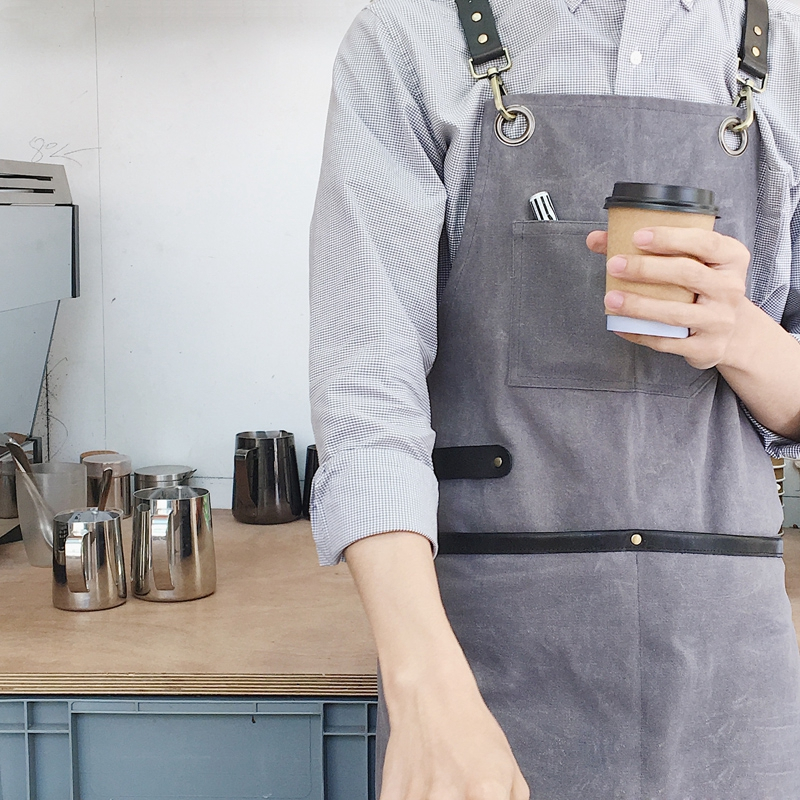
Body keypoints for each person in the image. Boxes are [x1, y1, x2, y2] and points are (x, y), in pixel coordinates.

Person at [309, 1, 800, 797]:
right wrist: (426, 689)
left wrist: (740, 335)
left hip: (729, 669)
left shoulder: (787, 51)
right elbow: (367, 397)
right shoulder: (407, 40)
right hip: (483, 664)